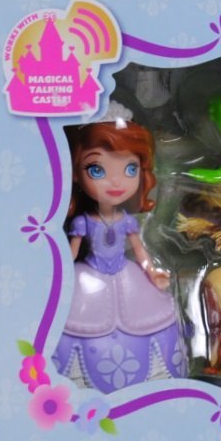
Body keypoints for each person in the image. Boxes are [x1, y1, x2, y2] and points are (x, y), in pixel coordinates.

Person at [53, 113, 186, 393]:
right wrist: (59, 274)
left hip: (129, 277)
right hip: (87, 277)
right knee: (75, 326)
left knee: (151, 321)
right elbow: (72, 253)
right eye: (97, 169)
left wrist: (152, 271)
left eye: (130, 169)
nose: (115, 183)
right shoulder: (83, 222)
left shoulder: (126, 221)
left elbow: (139, 249)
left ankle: (154, 387)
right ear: (76, 172)